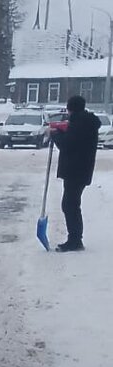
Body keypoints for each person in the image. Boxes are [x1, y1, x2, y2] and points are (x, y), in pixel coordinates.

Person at [50, 94, 101, 251]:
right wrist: (60, 131)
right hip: (80, 170)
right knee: (71, 204)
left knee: (70, 205)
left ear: (71, 108)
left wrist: (54, 134)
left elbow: (68, 144)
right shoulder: (85, 122)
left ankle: (75, 240)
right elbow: (74, 140)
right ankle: (75, 239)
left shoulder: (80, 124)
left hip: (75, 170)